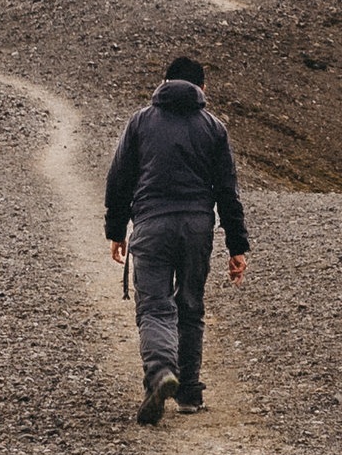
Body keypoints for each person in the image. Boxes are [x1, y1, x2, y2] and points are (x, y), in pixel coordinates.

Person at [103, 55, 251, 425]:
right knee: (190, 307)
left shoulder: (140, 122)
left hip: (152, 225)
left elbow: (119, 179)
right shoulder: (213, 128)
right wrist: (237, 247)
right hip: (197, 228)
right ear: (203, 88)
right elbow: (228, 192)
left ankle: (160, 373)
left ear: (164, 82)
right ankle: (188, 393)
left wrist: (115, 231)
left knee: (154, 306)